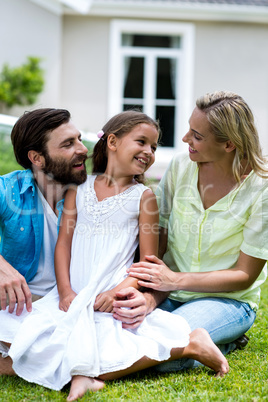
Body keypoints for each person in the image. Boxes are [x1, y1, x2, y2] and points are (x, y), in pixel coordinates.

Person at [0, 111, 228, 401]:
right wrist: (59, 288)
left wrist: (128, 291)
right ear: (112, 142)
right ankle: (80, 375)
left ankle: (187, 345)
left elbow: (149, 263)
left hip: (104, 293)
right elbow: (64, 246)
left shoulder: (141, 197)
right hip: (62, 296)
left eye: (154, 147)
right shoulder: (61, 191)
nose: (148, 151)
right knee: (26, 333)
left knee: (102, 349)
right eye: (141, 142)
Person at [126, 90, 268, 371]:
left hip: (227, 301)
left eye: (197, 136)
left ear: (229, 144)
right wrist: (149, 294)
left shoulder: (261, 189)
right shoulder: (180, 167)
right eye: (189, 130)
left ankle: (224, 338)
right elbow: (159, 237)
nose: (185, 140)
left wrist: (175, 280)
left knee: (158, 358)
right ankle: (206, 341)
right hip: (169, 292)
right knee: (122, 333)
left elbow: (244, 275)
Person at [0, 107, 88, 372]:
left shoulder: (94, 194)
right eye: (68, 144)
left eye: (80, 139)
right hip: (18, 306)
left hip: (71, 305)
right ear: (37, 158)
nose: (83, 149)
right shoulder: (10, 189)